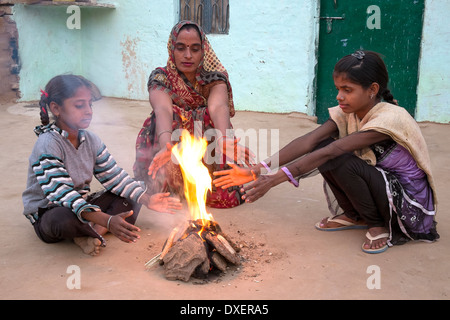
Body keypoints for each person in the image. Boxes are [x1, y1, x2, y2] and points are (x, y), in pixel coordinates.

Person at [213, 50, 439, 254]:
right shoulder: (349, 112)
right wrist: (257, 169)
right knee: (321, 147)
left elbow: (334, 150)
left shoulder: (390, 118)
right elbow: (309, 141)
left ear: (372, 90)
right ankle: (354, 215)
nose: (340, 96)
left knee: (334, 155)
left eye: (347, 90)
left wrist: (273, 180)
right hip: (381, 183)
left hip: (407, 204)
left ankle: (377, 224)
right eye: (338, 89)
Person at [22, 74, 182, 256]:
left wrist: (147, 199)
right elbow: (62, 194)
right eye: (79, 105)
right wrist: (107, 219)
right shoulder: (47, 144)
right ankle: (91, 230)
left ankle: (94, 233)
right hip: (50, 210)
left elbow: (115, 177)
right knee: (62, 218)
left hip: (81, 204)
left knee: (133, 192)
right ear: (56, 109)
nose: (88, 111)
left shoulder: (90, 139)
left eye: (90, 104)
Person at [134, 20, 254, 209]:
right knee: (173, 114)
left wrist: (223, 139)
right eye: (181, 48)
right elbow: (163, 108)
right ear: (172, 49)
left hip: (207, 147)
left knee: (205, 116)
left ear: (203, 51)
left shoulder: (214, 78)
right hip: (172, 143)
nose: (188, 55)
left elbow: (218, 107)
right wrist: (167, 144)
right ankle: (170, 181)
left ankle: (209, 181)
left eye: (195, 49)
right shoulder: (161, 77)